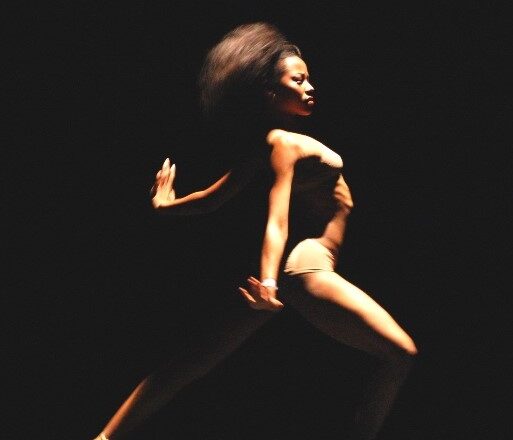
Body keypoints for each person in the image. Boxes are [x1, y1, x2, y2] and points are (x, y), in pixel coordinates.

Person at [93, 22, 417, 440]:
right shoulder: (283, 143)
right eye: (297, 80)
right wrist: (268, 282)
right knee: (401, 354)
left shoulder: (268, 145)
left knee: (190, 363)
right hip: (306, 265)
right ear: (270, 93)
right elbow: (276, 217)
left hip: (290, 268)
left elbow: (212, 197)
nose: (310, 87)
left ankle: (105, 438)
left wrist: (167, 204)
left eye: (308, 78)